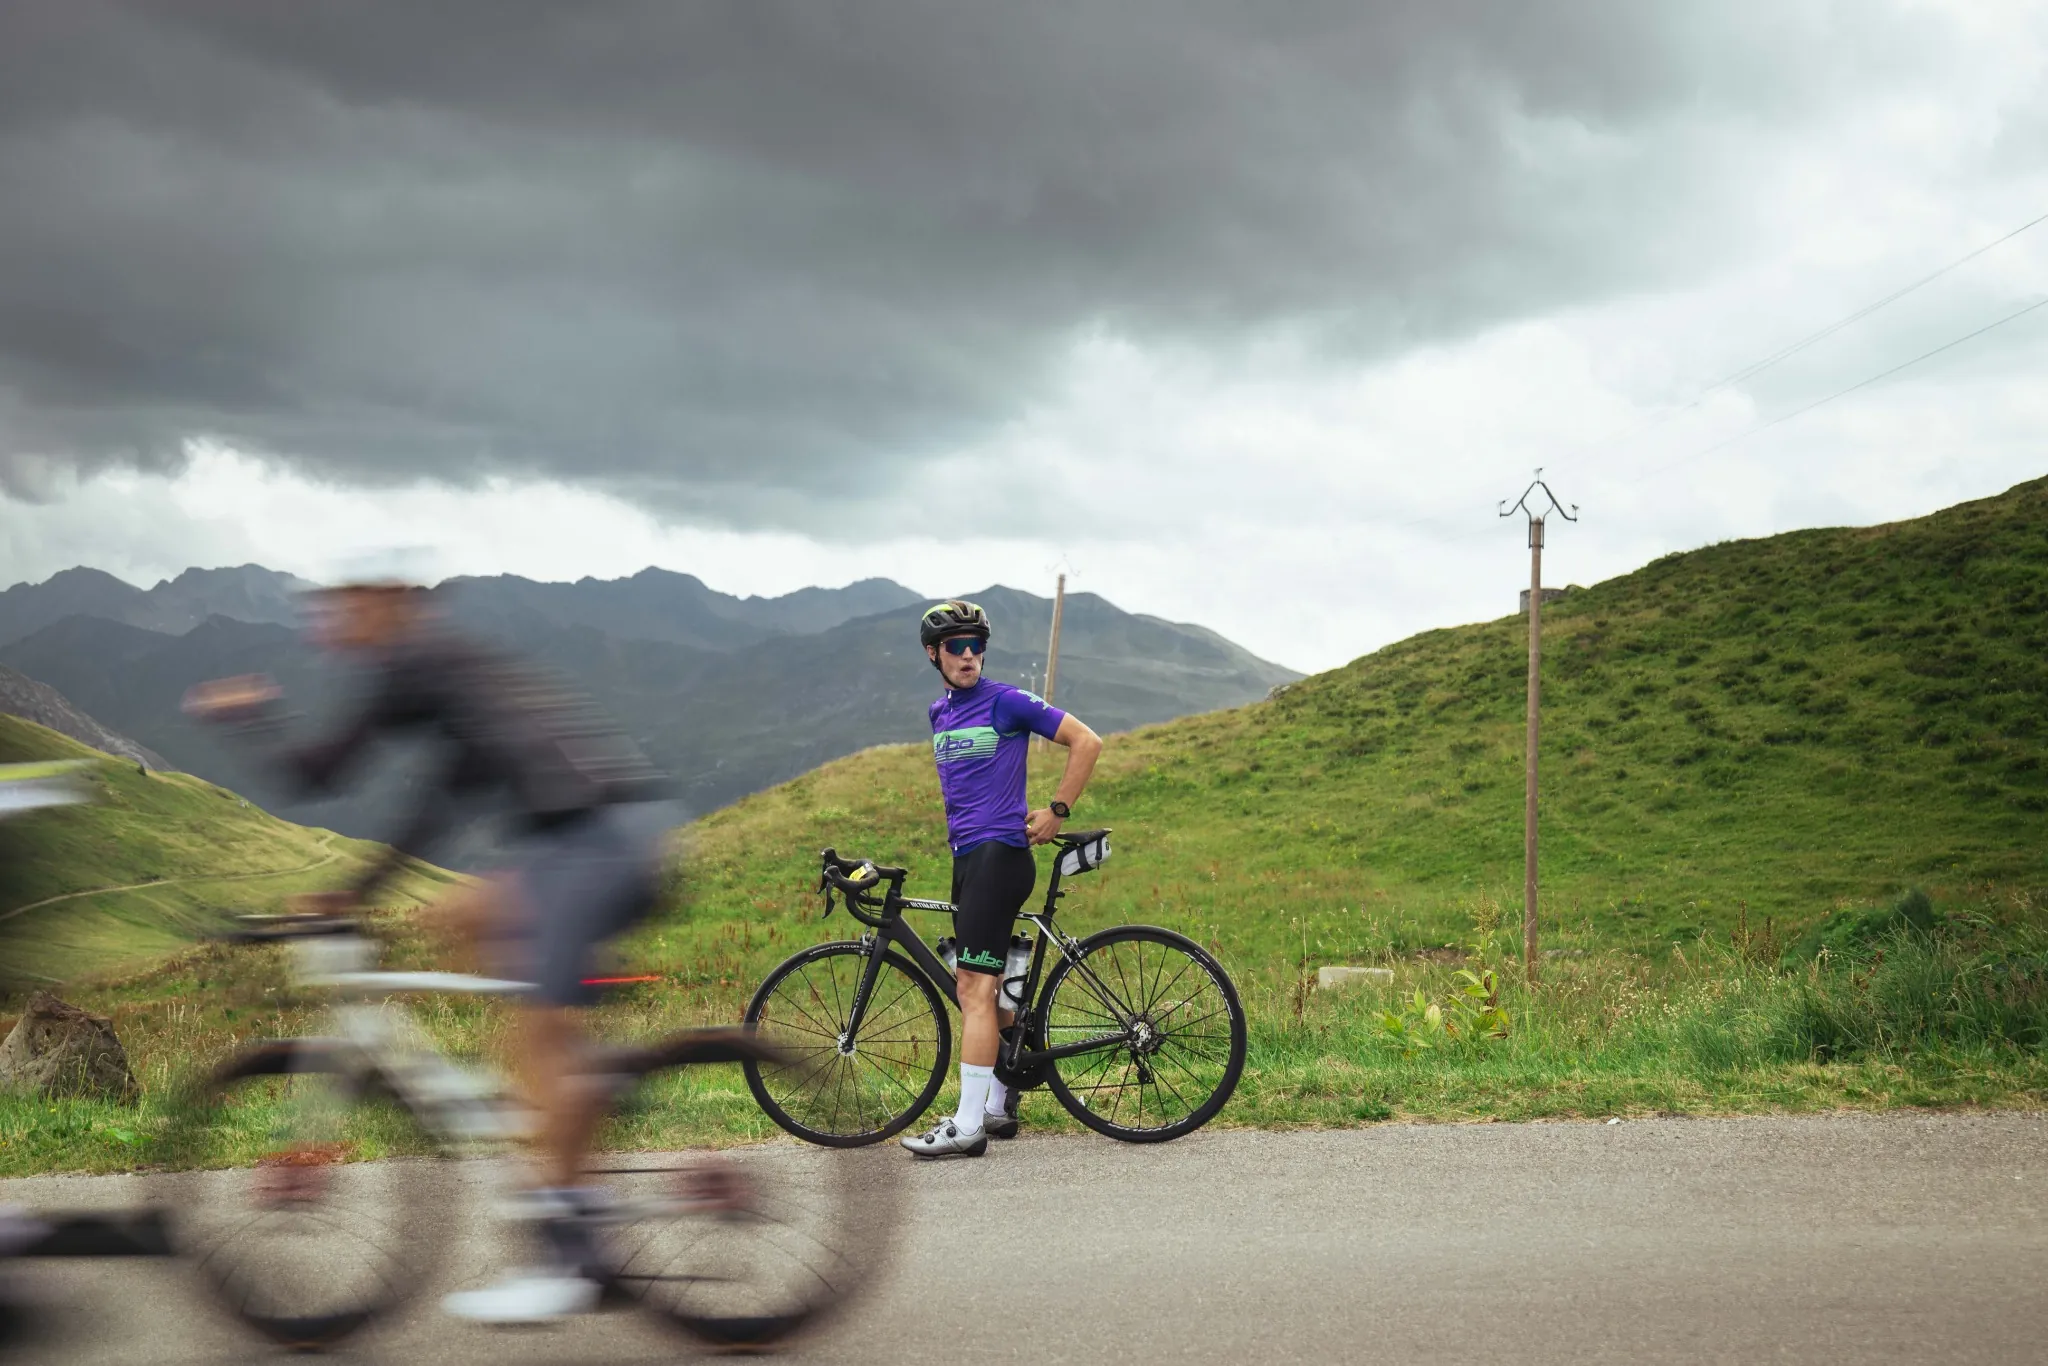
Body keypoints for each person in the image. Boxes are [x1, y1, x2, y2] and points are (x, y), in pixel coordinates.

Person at [183, 578, 678, 1325]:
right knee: (460, 913)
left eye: (346, 603)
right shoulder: (445, 672)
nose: (330, 618)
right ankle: (577, 1085)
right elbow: (432, 810)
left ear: (391, 602)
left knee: (534, 1032)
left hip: (598, 844)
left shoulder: (418, 663)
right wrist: (354, 894)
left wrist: (251, 717)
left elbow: (321, 771)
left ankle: (569, 1257)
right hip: (579, 841)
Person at [900, 600, 1102, 1158]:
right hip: (966, 859)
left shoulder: (1007, 701)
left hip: (1001, 855)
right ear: (933, 654)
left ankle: (967, 1126)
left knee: (974, 989)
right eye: (956, 647)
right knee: (979, 990)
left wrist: (1057, 809)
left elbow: (1087, 741)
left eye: (976, 645)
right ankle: (998, 1097)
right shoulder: (939, 713)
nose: (968, 655)